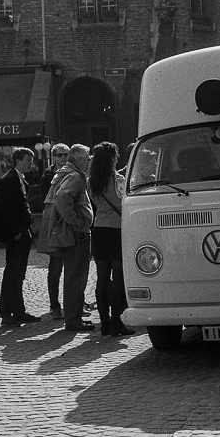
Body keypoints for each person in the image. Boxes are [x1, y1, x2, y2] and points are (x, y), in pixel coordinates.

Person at [40, 143, 94, 332]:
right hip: (77, 234)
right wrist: (76, 221)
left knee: (73, 276)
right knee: (77, 276)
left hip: (72, 233)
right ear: (79, 158)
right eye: (87, 157)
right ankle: (73, 319)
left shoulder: (64, 173)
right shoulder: (75, 176)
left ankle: (74, 317)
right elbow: (63, 198)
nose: (89, 160)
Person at [88, 143, 135, 337]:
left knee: (102, 278)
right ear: (113, 159)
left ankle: (104, 323)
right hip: (116, 229)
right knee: (118, 278)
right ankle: (117, 322)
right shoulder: (118, 180)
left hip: (99, 228)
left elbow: (94, 201)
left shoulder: (92, 181)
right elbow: (123, 202)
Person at [0, 147, 40, 327]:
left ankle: (18, 311)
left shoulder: (20, 180)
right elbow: (0, 209)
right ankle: (7, 313)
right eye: (28, 160)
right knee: (12, 273)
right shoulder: (9, 180)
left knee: (19, 273)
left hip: (23, 232)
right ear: (18, 161)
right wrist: (16, 232)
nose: (31, 163)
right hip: (16, 234)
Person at [40, 143, 69, 319]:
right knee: (55, 268)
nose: (64, 158)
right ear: (54, 157)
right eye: (60, 155)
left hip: (69, 225)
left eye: (66, 154)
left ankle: (72, 303)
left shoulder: (73, 174)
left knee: (72, 268)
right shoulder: (48, 176)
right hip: (55, 226)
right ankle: (54, 305)